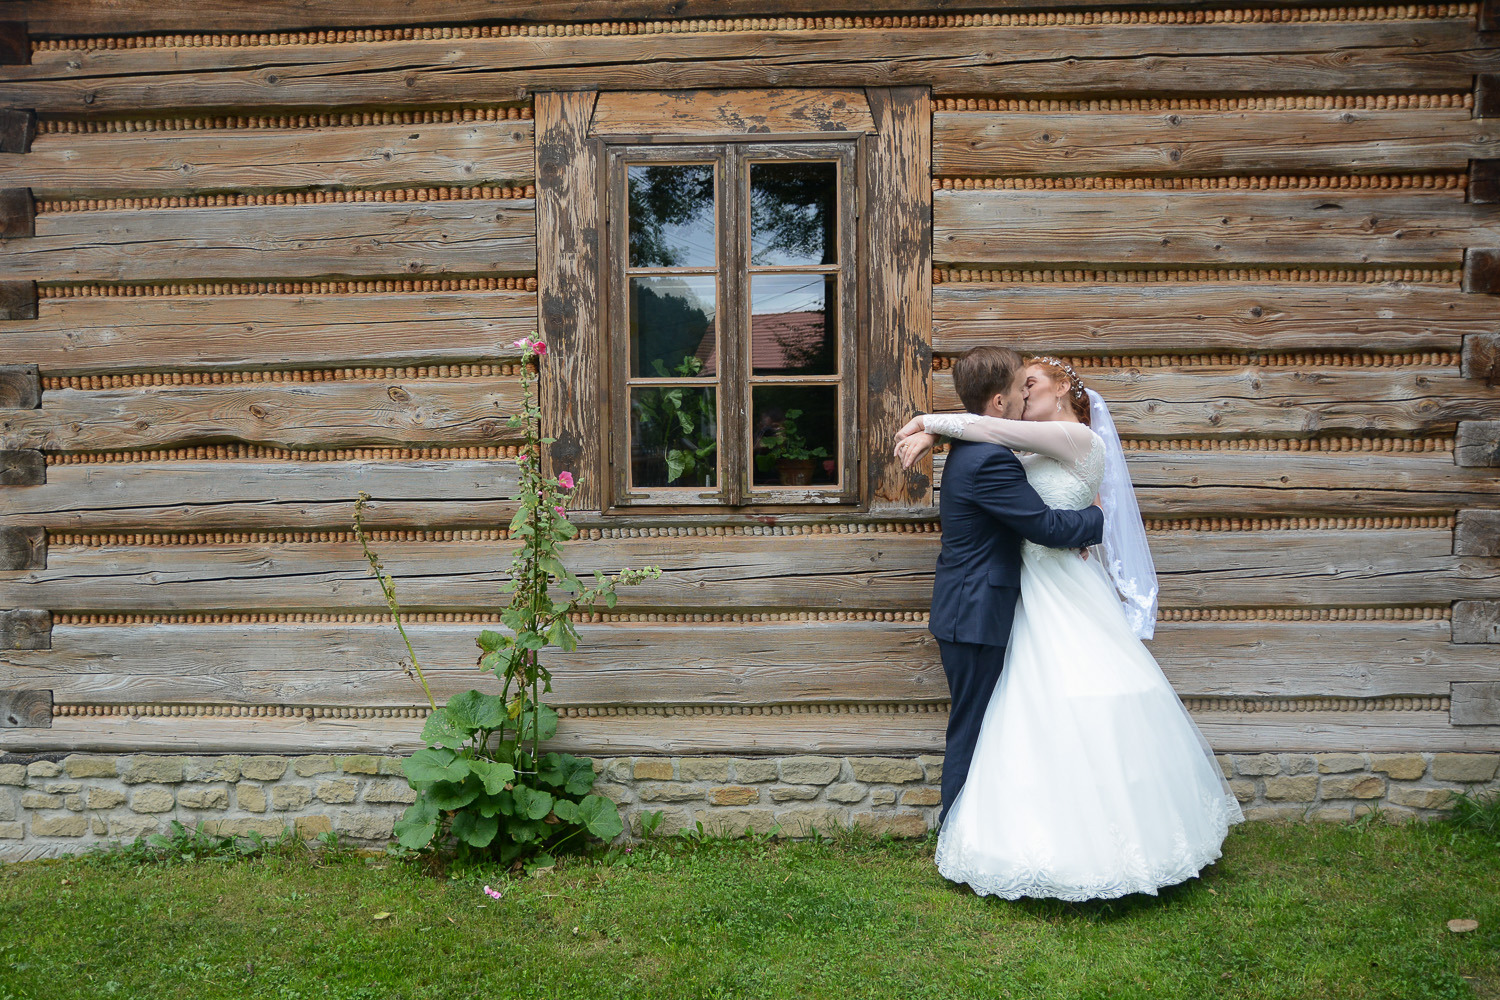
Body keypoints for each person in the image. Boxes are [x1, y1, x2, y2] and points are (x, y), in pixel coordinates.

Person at [894, 352, 1244, 901]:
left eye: (1033, 383)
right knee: (1006, 717)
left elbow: (990, 430)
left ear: (1061, 389)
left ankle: (1090, 838)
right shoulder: (1008, 448)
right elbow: (992, 436)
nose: (1025, 393)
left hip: (1051, 589)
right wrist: (933, 430)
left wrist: (926, 425)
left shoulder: (1078, 440)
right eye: (1019, 385)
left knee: (1058, 709)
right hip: (1016, 594)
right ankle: (969, 832)